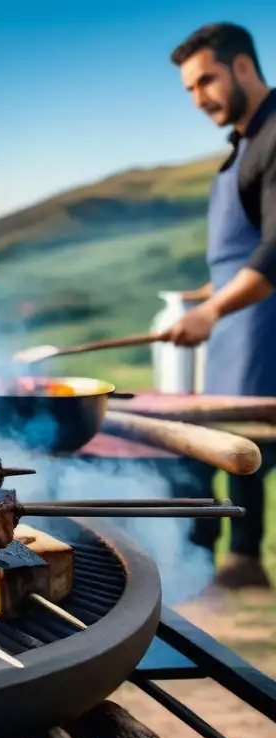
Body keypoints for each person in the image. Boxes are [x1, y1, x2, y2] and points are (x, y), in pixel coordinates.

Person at [166, 23, 276, 589]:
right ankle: (211, 568)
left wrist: (212, 312)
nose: (198, 96)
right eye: (188, 88)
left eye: (205, 79)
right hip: (236, 323)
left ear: (242, 67)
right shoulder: (241, 147)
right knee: (218, 447)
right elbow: (242, 253)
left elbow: (274, 252)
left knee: (246, 445)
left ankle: (242, 564)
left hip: (263, 327)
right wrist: (201, 297)